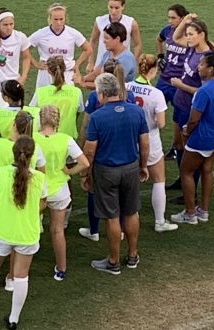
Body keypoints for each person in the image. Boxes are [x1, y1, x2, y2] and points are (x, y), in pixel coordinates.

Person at [0, 136, 47, 329]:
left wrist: (2, 208)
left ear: (13, 152)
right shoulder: (39, 178)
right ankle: (13, 319)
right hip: (27, 233)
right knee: (21, 276)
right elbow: (43, 203)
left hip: (2, 230)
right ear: (31, 156)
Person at [82, 73, 149, 275]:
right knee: (131, 211)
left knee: (112, 216)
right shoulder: (136, 112)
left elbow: (90, 151)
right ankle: (132, 255)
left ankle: (113, 261)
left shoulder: (97, 117)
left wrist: (86, 174)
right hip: (130, 167)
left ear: (101, 93)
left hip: (106, 171)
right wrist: (143, 166)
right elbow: (144, 144)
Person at [77, 58, 135, 241]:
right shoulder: (129, 95)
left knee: (95, 190)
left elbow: (86, 125)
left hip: (102, 151)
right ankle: (123, 231)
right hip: (126, 150)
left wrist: (81, 147)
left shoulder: (96, 96)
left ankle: (94, 230)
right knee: (123, 198)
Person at [170, 53, 214, 224]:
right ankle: (204, 210)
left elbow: (194, 118)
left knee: (186, 171)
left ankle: (190, 213)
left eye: (201, 64)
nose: (198, 67)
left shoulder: (203, 91)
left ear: (210, 69)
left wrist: (187, 130)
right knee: (207, 171)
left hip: (202, 137)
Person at [34, 105, 89, 281]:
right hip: (59, 190)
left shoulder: (32, 139)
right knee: (57, 231)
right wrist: (68, 172)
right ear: (58, 121)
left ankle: (20, 269)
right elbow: (84, 163)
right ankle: (61, 268)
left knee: (30, 228)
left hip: (37, 191)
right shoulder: (65, 140)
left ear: (40, 120)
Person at [126, 54, 178, 232]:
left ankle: (130, 218)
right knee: (159, 180)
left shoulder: (127, 87)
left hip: (130, 139)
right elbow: (161, 123)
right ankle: (159, 221)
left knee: (130, 182)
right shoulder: (156, 94)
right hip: (151, 139)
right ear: (154, 70)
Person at [169, 15, 214, 197]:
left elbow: (203, 91)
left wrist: (180, 85)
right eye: (187, 34)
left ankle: (190, 191)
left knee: (191, 151)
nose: (187, 37)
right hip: (180, 104)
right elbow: (175, 38)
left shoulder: (207, 60)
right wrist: (187, 19)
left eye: (191, 34)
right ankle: (183, 181)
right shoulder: (192, 48)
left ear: (201, 35)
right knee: (178, 144)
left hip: (191, 108)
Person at [28, 3, 92, 88]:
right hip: (47, 74)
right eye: (55, 19)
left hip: (66, 73)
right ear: (50, 19)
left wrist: (77, 64)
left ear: (65, 18)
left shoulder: (72, 33)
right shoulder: (41, 34)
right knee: (44, 100)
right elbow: (24, 49)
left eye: (61, 19)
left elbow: (88, 49)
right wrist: (36, 64)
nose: (59, 22)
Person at [155, 4, 189, 161]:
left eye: (173, 17)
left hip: (179, 84)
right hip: (164, 80)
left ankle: (177, 148)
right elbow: (158, 39)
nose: (170, 21)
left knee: (179, 119)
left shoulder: (190, 35)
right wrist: (160, 56)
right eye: (168, 17)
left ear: (182, 19)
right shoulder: (167, 30)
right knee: (152, 111)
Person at [29, 56, 84, 139]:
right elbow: (78, 112)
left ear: (49, 71)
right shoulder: (77, 92)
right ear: (64, 69)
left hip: (45, 138)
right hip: (68, 138)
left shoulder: (40, 92)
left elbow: (32, 114)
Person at [87, 0, 142, 72]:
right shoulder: (100, 21)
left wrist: (132, 61)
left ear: (123, 6)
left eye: (117, 8)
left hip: (122, 64)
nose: (113, 11)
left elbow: (137, 44)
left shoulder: (131, 23)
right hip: (101, 64)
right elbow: (92, 41)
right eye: (111, 7)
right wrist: (90, 62)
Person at [79, 22, 136, 89]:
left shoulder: (126, 58)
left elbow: (112, 85)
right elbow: (96, 73)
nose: (104, 41)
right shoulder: (108, 53)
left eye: (107, 38)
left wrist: (84, 84)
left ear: (117, 39)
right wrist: (83, 79)